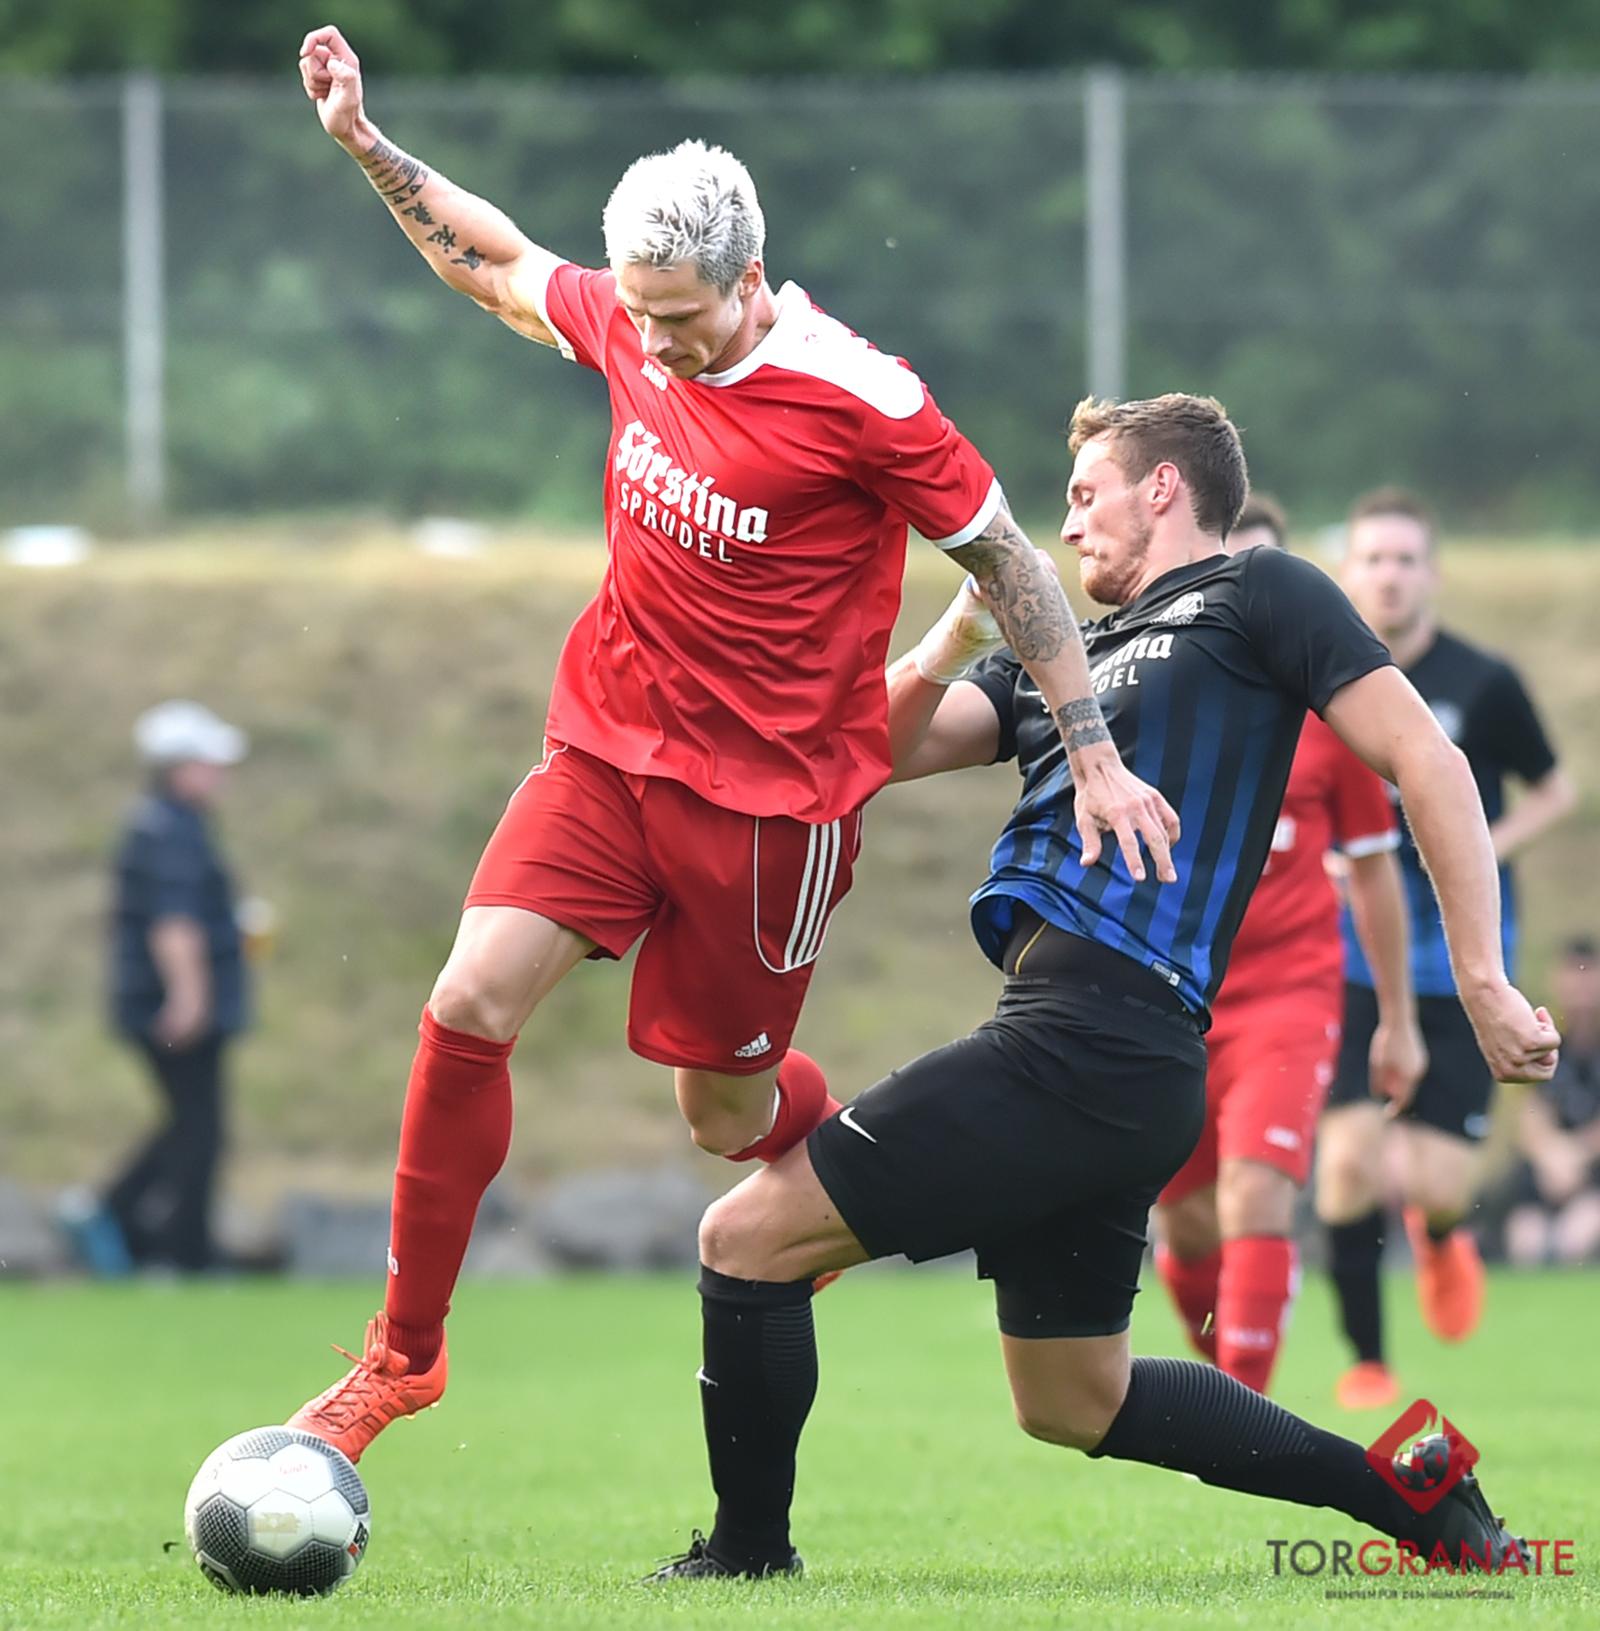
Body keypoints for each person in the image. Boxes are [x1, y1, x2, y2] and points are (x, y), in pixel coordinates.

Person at [287, 26, 1177, 1460]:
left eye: (682, 318)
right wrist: (364, 145)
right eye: (638, 314)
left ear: (752, 278)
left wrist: (1089, 747)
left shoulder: (863, 397)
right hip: (607, 751)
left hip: (772, 812)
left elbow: (1011, 559)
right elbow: (499, 265)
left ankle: (852, 1188)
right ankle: (403, 1356)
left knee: (725, 1111)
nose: (653, 343)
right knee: (468, 998)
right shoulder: (628, 319)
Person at [644, 393, 1557, 1582]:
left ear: (1163, 487)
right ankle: (1425, 1497)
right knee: (1074, 1398)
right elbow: (867, 754)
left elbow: (1426, 756)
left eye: (1086, 495)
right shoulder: (1061, 657)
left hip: (1092, 1041)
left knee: (746, 1236)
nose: (1065, 524)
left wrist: (1481, 976)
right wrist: (954, 633)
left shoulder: (1257, 592)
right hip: (1105, 1058)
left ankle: (747, 1556)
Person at [1151, 495, 1425, 1394]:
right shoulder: (1153, 701)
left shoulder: (1334, 720)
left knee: (1256, 1192)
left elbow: (1375, 874)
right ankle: (1227, 1388)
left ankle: (1244, 1415)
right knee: (1185, 1226)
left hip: (1288, 995)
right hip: (1176, 998)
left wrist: (1397, 1021)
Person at [1316, 488, 1575, 1409]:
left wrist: (1477, 846)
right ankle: (1368, 1361)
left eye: (1405, 559)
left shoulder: (1483, 681)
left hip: (1460, 960)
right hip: (1350, 954)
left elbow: (1555, 789)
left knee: (1432, 1182)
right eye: (1373, 558)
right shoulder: (1322, 678)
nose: (1389, 575)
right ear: (1348, 571)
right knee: (1348, 1163)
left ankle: (1440, 1230)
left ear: (1432, 573)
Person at [60, 701, 251, 1276]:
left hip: (169, 1000)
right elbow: (174, 924)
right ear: (178, 767)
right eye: (208, 763)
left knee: (190, 1123)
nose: (219, 774)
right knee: (200, 1129)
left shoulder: (169, 825)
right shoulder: (169, 830)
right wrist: (189, 997)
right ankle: (181, 1251)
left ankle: (115, 1218)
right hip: (174, 1004)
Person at [1503, 937, 1600, 1266]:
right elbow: (1530, 1112)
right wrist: (1551, 1155)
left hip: (1593, 1178)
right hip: (1545, 1176)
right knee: (1526, 1244)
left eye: (1587, 977)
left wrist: (1577, 1155)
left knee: (1575, 1241)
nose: (1580, 989)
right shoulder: (1543, 1038)